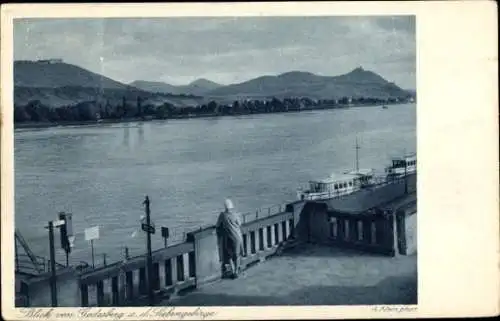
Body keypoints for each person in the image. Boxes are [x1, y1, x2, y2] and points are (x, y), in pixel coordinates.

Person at [216, 199, 244, 278]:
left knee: (229, 256)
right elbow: (239, 224)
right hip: (237, 237)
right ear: (232, 207)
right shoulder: (235, 214)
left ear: (225, 207)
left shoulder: (222, 215)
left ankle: (232, 270)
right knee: (237, 255)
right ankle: (236, 272)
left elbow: (217, 225)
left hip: (228, 237)